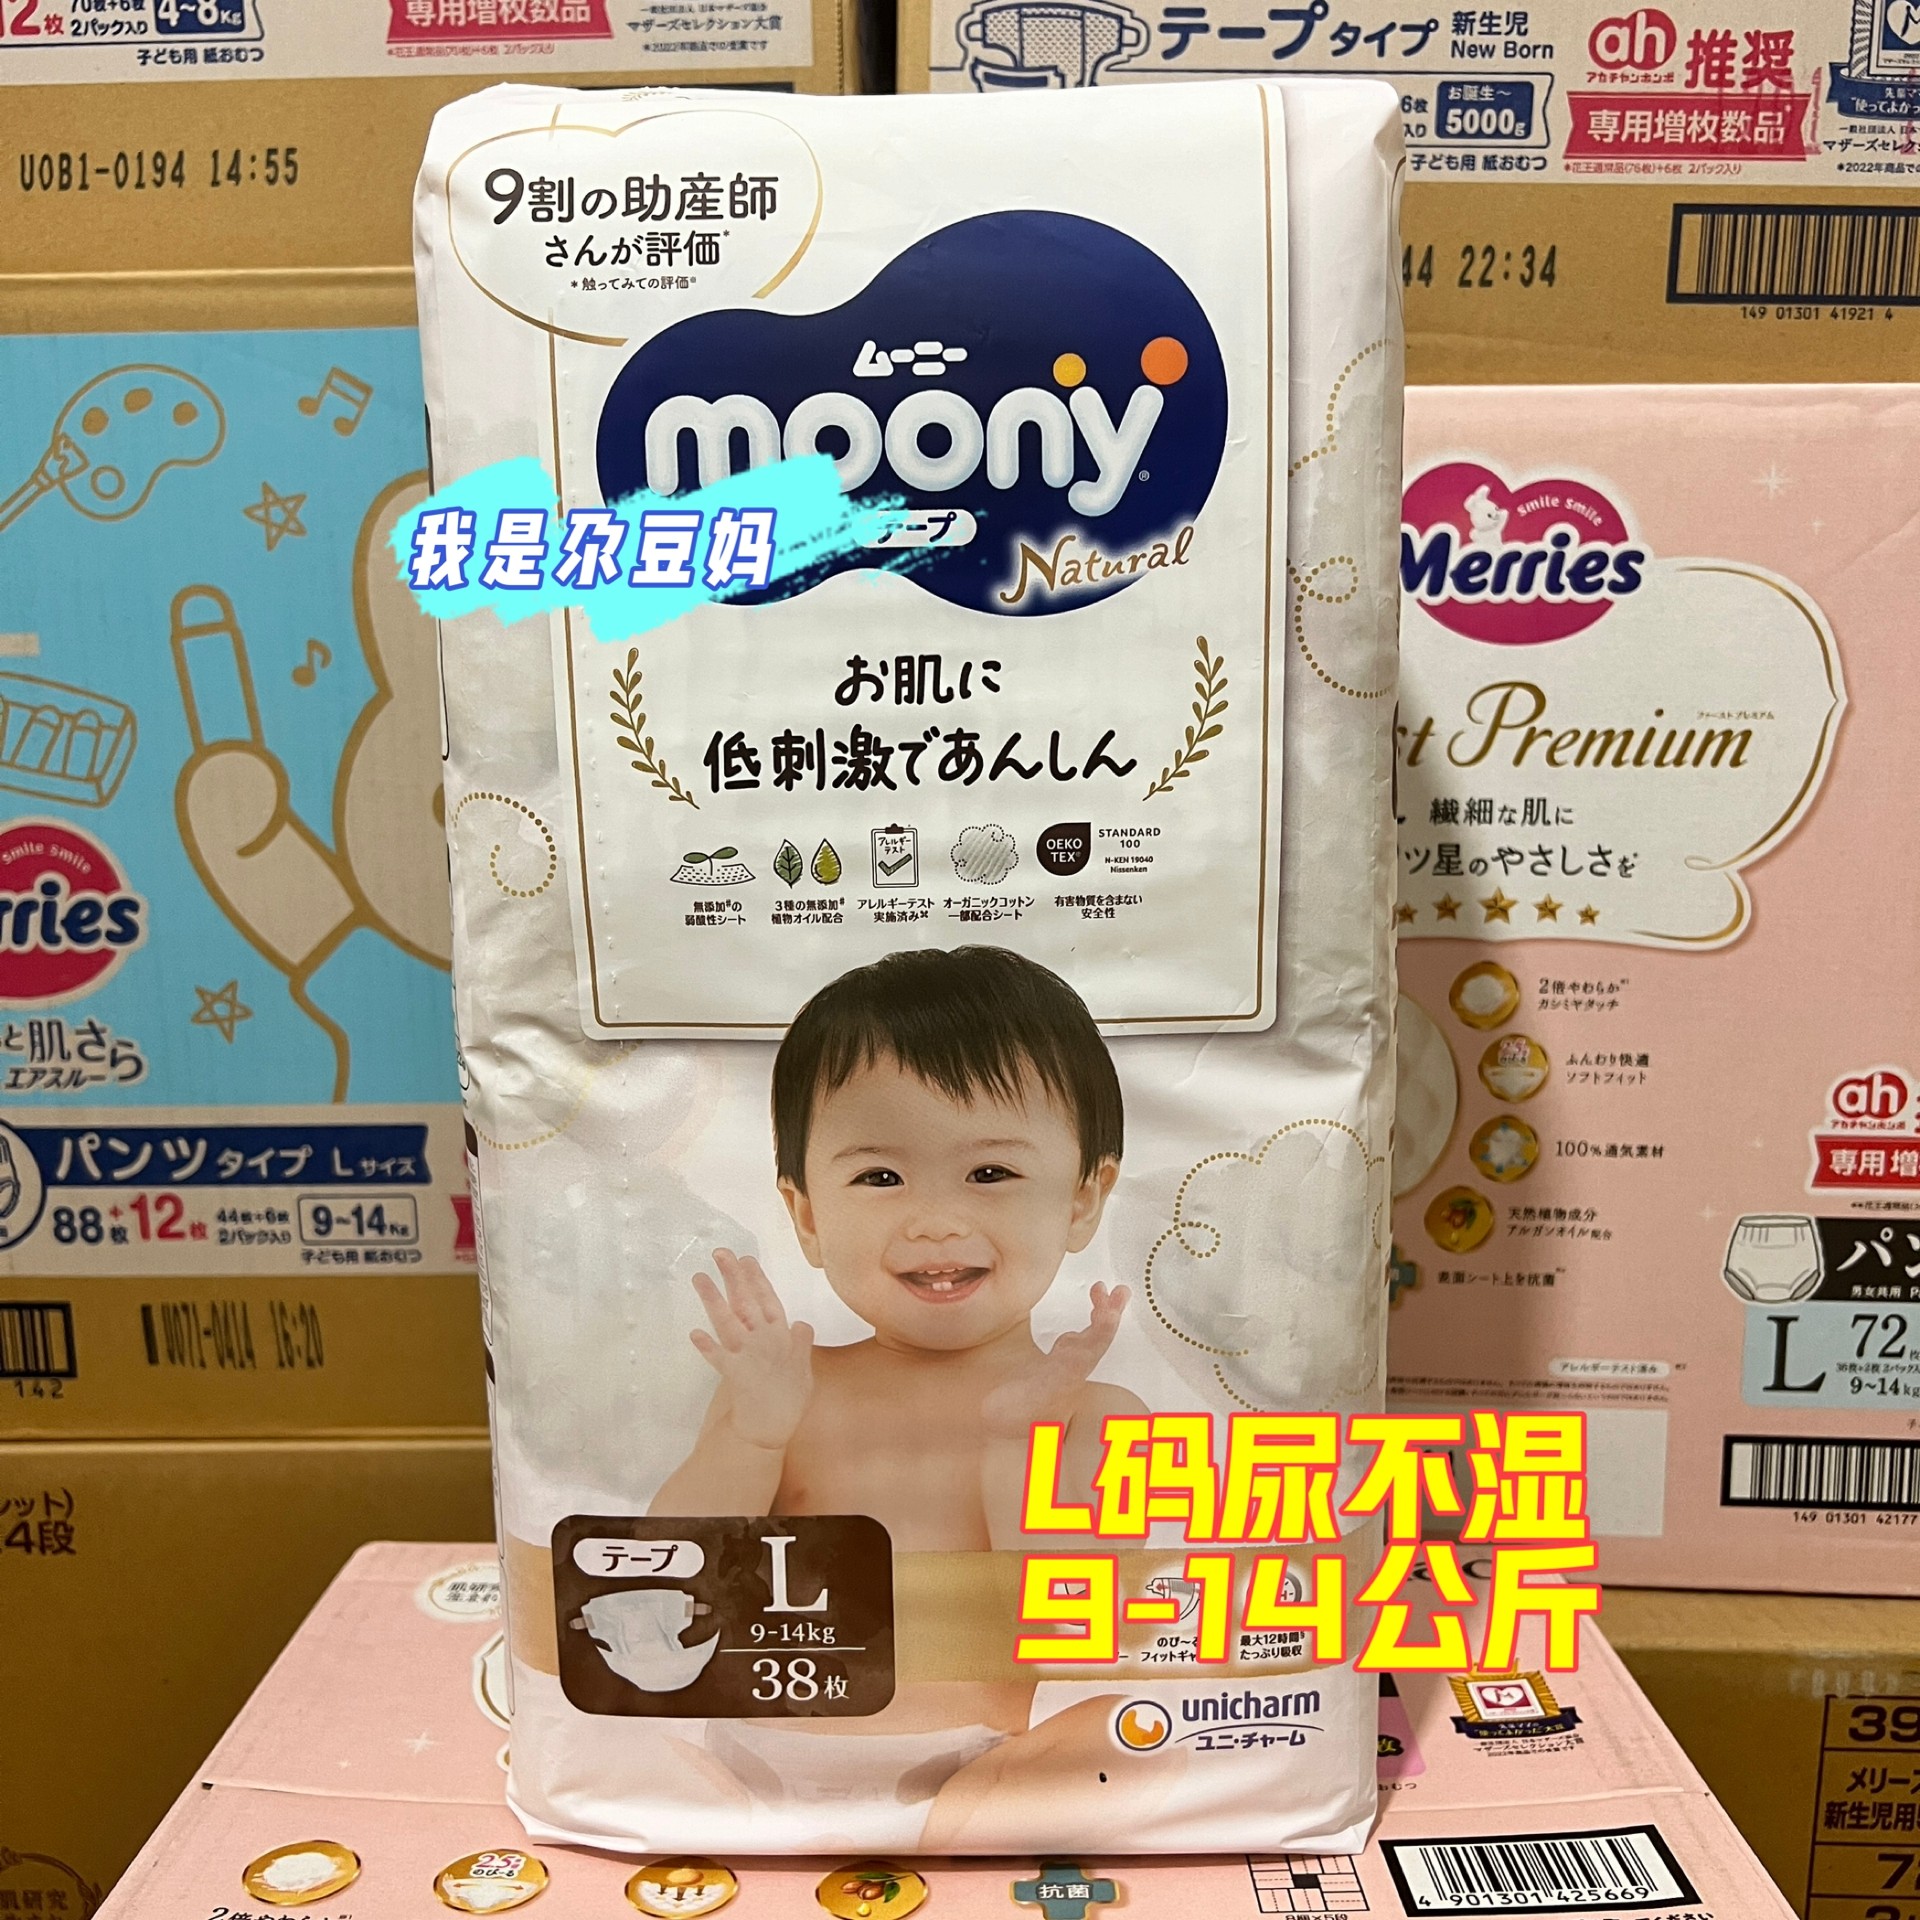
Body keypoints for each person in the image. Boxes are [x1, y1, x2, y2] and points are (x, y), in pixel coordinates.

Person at [652, 944, 1144, 1549]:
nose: (935, 1225)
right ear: (808, 1217)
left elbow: (1076, 1597)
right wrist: (751, 1438)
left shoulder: (1097, 1416)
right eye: (881, 1177)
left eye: (990, 1173)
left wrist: (1019, 1442)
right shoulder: (784, 1393)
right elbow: (670, 1567)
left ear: (1082, 1200)